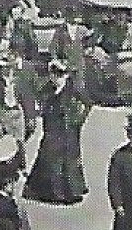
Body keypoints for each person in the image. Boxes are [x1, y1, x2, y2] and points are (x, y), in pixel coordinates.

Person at [23, 60, 88, 204]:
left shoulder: (74, 89)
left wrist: (78, 119)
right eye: (54, 75)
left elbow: (87, 104)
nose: (56, 79)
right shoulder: (47, 89)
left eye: (60, 75)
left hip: (69, 130)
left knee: (69, 160)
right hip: (52, 129)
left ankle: (72, 191)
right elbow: (41, 104)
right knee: (49, 158)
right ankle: (48, 192)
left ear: (65, 76)